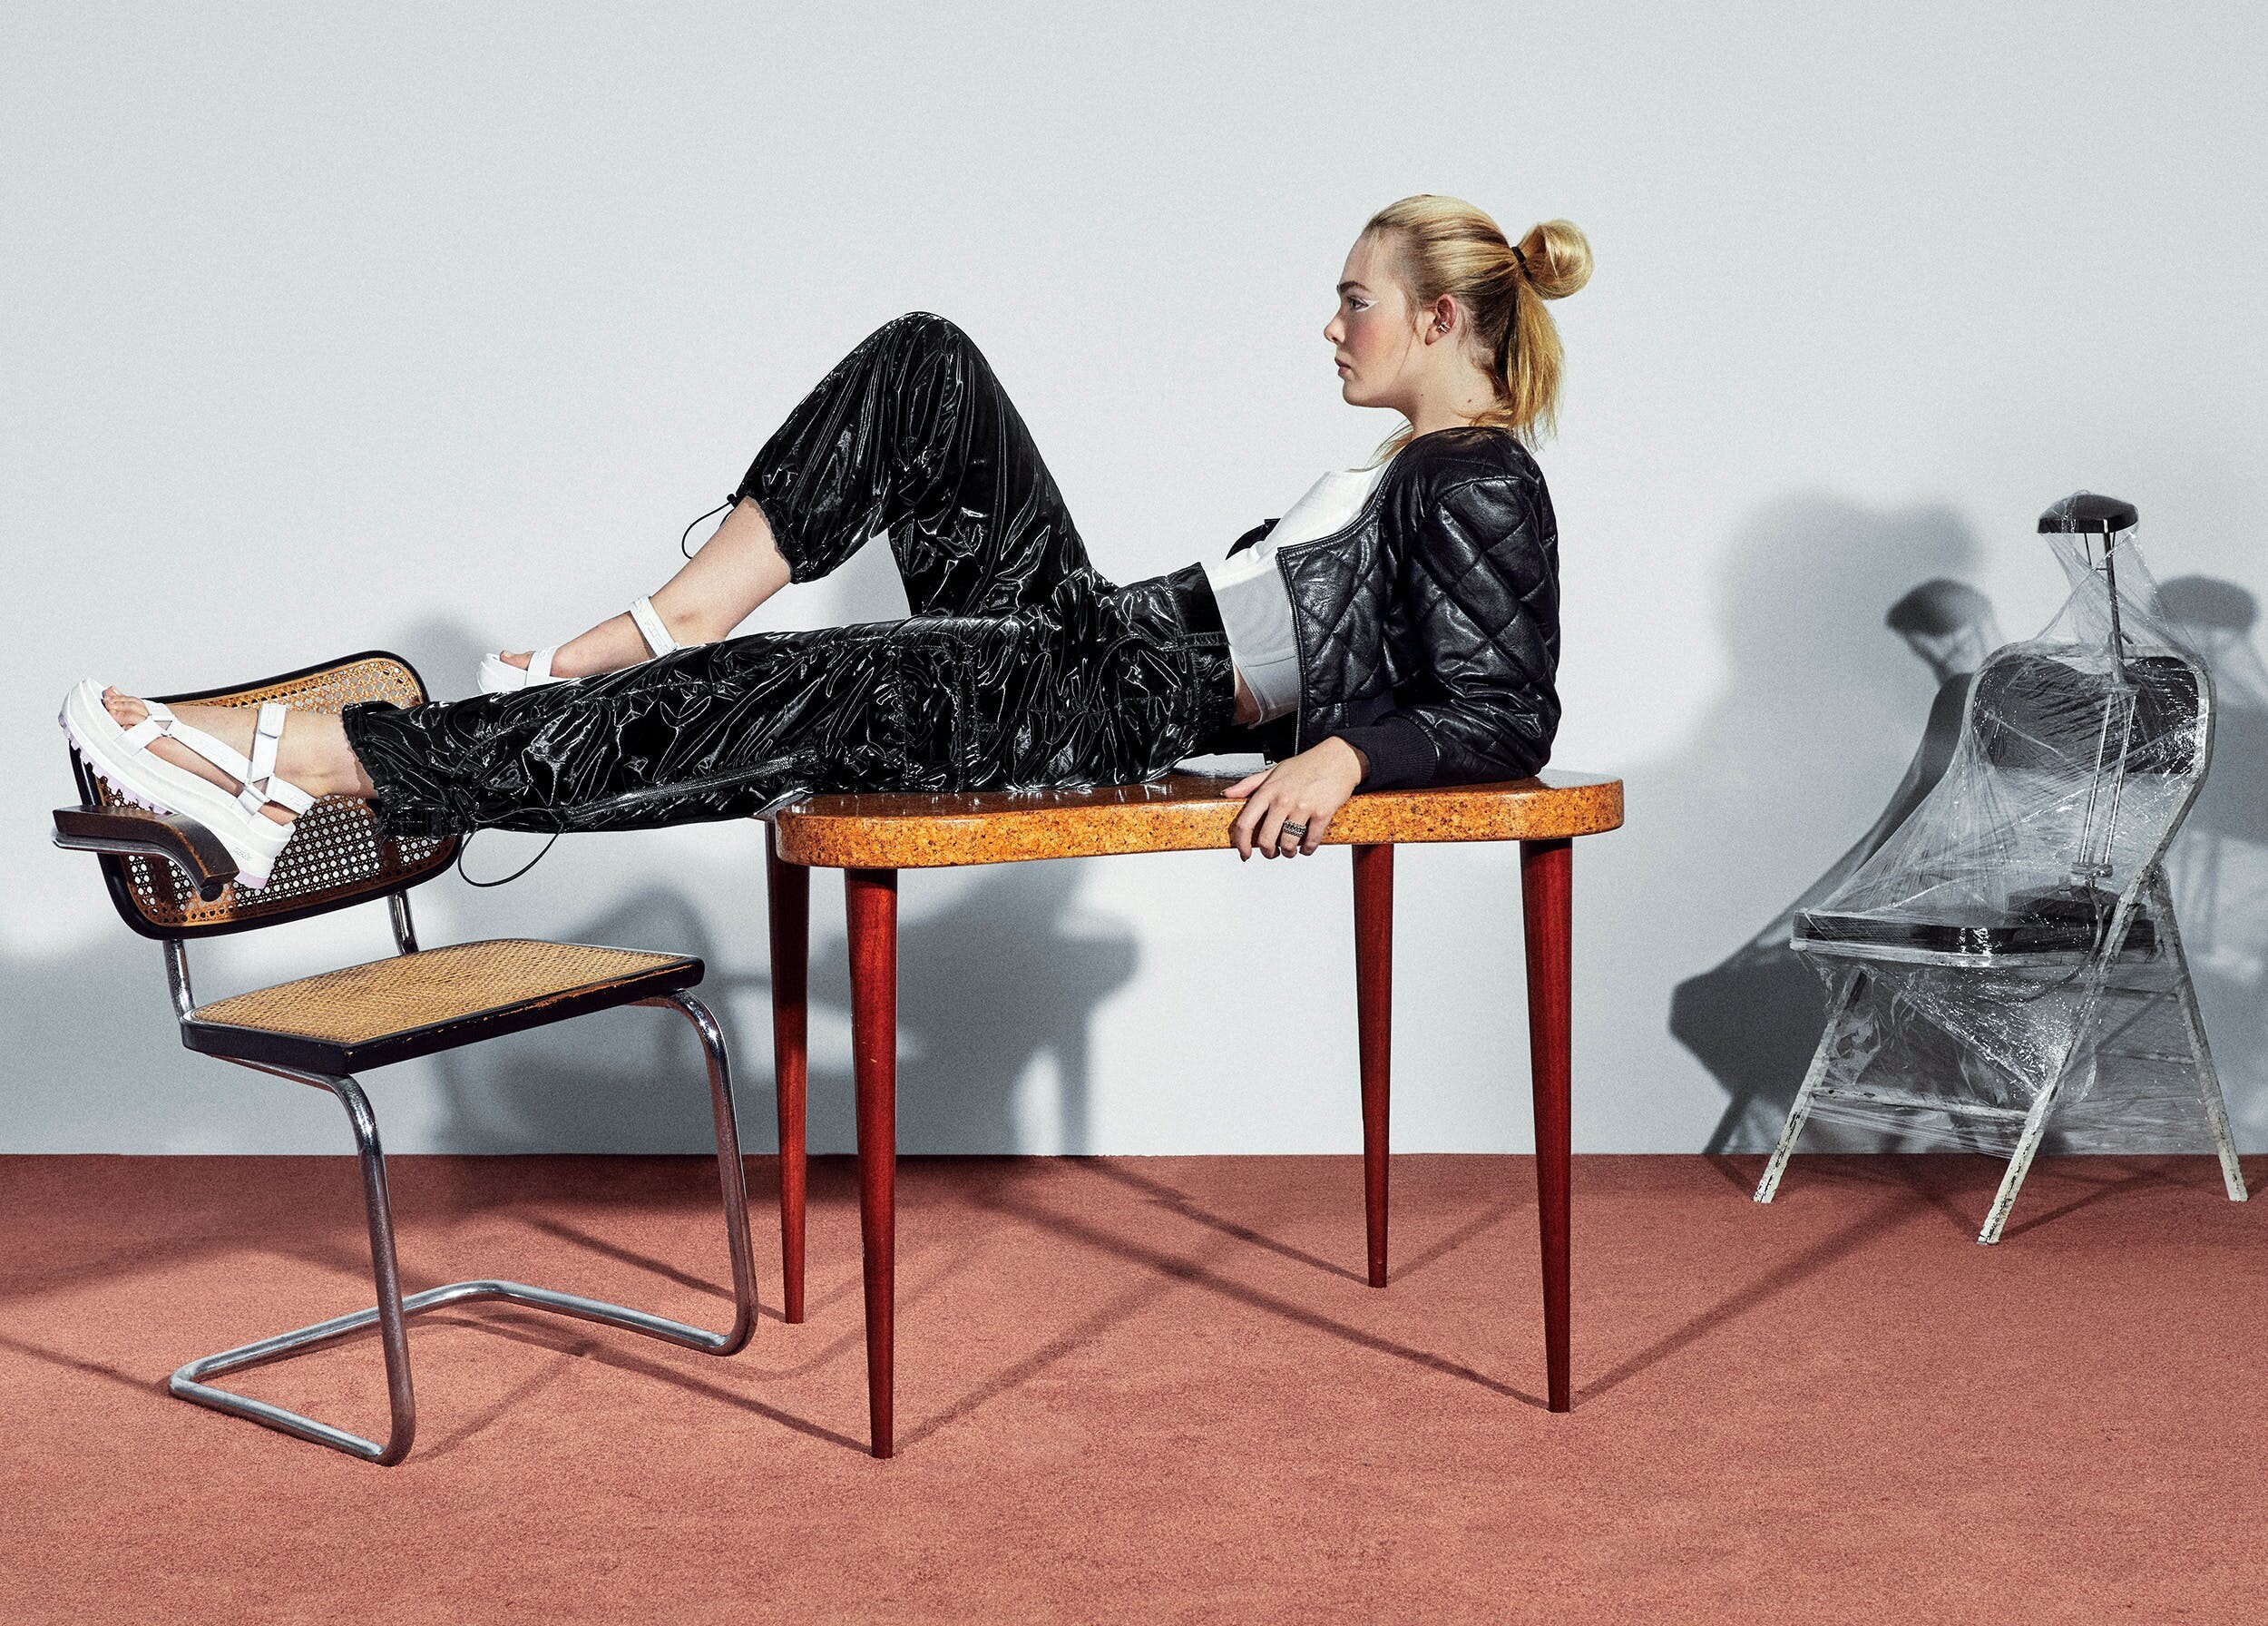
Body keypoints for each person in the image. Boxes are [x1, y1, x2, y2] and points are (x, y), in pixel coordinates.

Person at [61, 196, 1588, 890]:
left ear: (1438, 319)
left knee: (789, 693)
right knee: (928, 363)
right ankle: (656, 625)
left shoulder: (1479, 482)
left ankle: (313, 768)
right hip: (1091, 640)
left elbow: (1505, 712)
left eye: (1355, 300)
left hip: (1098, 699)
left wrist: (1346, 758)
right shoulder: (1414, 467)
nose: (1331, 325)